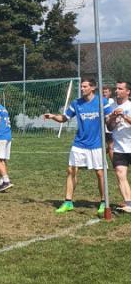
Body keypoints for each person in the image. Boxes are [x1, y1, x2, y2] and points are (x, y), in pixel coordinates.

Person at [44, 78, 112, 216]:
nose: (82, 89)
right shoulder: (76, 103)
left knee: (100, 173)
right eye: (81, 86)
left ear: (92, 88)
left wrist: (113, 118)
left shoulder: (102, 102)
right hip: (79, 143)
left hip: (96, 144)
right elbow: (64, 118)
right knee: (71, 170)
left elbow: (109, 119)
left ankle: (103, 202)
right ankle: (68, 202)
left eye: (85, 86)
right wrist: (52, 116)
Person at [106, 81, 131, 213]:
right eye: (116, 88)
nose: (117, 91)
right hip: (119, 147)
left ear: (128, 92)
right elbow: (110, 127)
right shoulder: (112, 106)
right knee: (120, 174)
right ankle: (129, 204)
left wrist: (123, 115)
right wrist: (112, 118)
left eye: (120, 89)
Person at [103, 85, 115, 162]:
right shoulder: (100, 102)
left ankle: (100, 155)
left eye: (106, 92)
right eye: (103, 92)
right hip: (104, 128)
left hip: (112, 127)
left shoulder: (112, 101)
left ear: (110, 93)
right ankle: (115, 165)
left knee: (112, 146)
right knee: (111, 146)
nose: (104, 94)